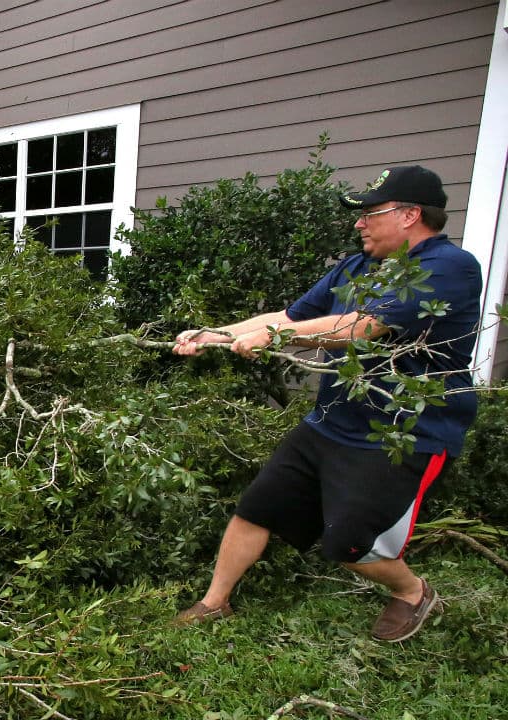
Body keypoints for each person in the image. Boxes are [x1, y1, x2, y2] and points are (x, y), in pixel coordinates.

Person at [171, 165, 483, 642]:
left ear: (410, 215)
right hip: (331, 420)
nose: (359, 222)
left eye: (369, 213)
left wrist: (271, 336)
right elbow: (291, 316)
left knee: (350, 544)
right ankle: (215, 604)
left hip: (403, 433)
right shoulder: (356, 268)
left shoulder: (448, 268)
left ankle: (412, 593)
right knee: (257, 507)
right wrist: (217, 334)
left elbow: (364, 326)